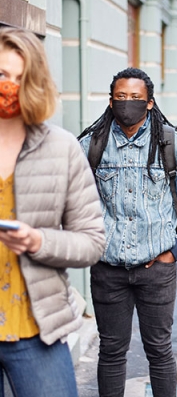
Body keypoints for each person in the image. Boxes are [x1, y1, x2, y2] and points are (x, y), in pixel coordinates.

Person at [78, 67, 177, 397]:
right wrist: (90, 243)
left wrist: (175, 251)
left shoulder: (171, 144)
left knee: (159, 351)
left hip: (157, 270)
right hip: (108, 270)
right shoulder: (91, 145)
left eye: (136, 98)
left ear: (149, 103)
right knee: (111, 352)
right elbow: (71, 200)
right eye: (121, 97)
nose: (128, 103)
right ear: (111, 102)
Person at [0, 27, 105, 397]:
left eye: (20, 78)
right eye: (1, 74)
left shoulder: (61, 148)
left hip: (35, 329)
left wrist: (38, 240)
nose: (8, 86)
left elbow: (92, 242)